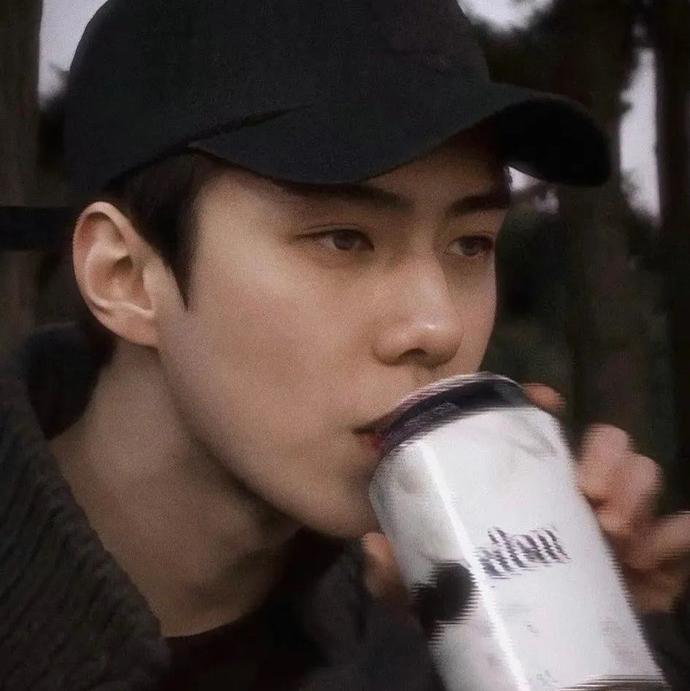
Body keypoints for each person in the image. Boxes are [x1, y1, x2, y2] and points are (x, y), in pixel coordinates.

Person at [0, 0, 688, 689]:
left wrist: (593, 649)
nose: (439, 327)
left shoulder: (420, 629)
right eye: (343, 239)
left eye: (469, 243)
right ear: (124, 276)